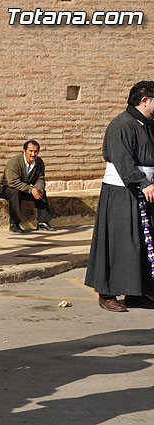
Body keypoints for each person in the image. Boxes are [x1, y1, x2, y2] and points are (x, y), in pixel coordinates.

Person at [85, 81, 154, 312]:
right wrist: (142, 183)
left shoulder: (147, 125)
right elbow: (123, 159)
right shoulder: (122, 124)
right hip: (122, 192)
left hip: (143, 190)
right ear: (145, 100)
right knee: (117, 243)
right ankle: (107, 294)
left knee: (139, 244)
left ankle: (136, 292)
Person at [0, 140, 55, 233]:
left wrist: (38, 188)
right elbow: (12, 182)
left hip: (22, 188)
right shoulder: (15, 161)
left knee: (41, 193)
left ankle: (42, 222)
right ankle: (14, 224)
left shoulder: (39, 162)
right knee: (14, 193)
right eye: (30, 151)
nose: (33, 154)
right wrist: (31, 190)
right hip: (6, 187)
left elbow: (40, 178)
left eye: (35, 151)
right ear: (24, 151)